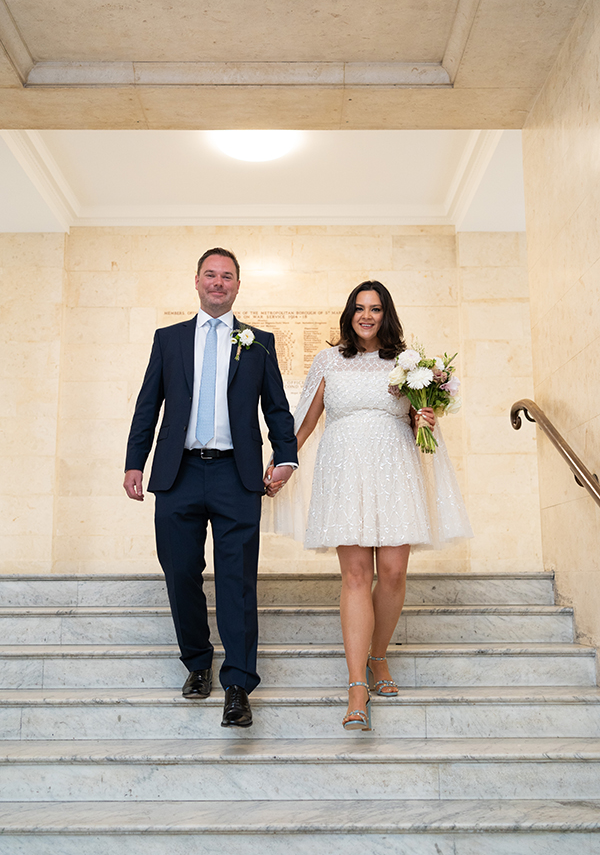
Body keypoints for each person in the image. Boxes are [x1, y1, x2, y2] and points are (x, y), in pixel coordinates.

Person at [267, 280, 472, 731]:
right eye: (359, 308)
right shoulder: (329, 360)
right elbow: (304, 421)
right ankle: (357, 685)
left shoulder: (405, 363)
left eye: (375, 309)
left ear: (386, 314)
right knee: (357, 575)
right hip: (344, 470)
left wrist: (426, 417)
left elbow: (423, 426)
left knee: (395, 572)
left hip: (394, 468)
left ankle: (380, 656)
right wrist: (284, 463)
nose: (366, 316)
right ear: (349, 313)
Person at [124, 247, 297, 728]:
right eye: (210, 275)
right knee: (180, 572)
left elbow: (277, 409)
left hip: (235, 476)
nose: (218, 283)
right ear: (196, 282)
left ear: (238, 286)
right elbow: (147, 406)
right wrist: (134, 462)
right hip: (177, 473)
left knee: (237, 582)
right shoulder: (169, 339)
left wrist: (285, 457)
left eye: (227, 276)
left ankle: (238, 684)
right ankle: (198, 663)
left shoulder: (258, 342)